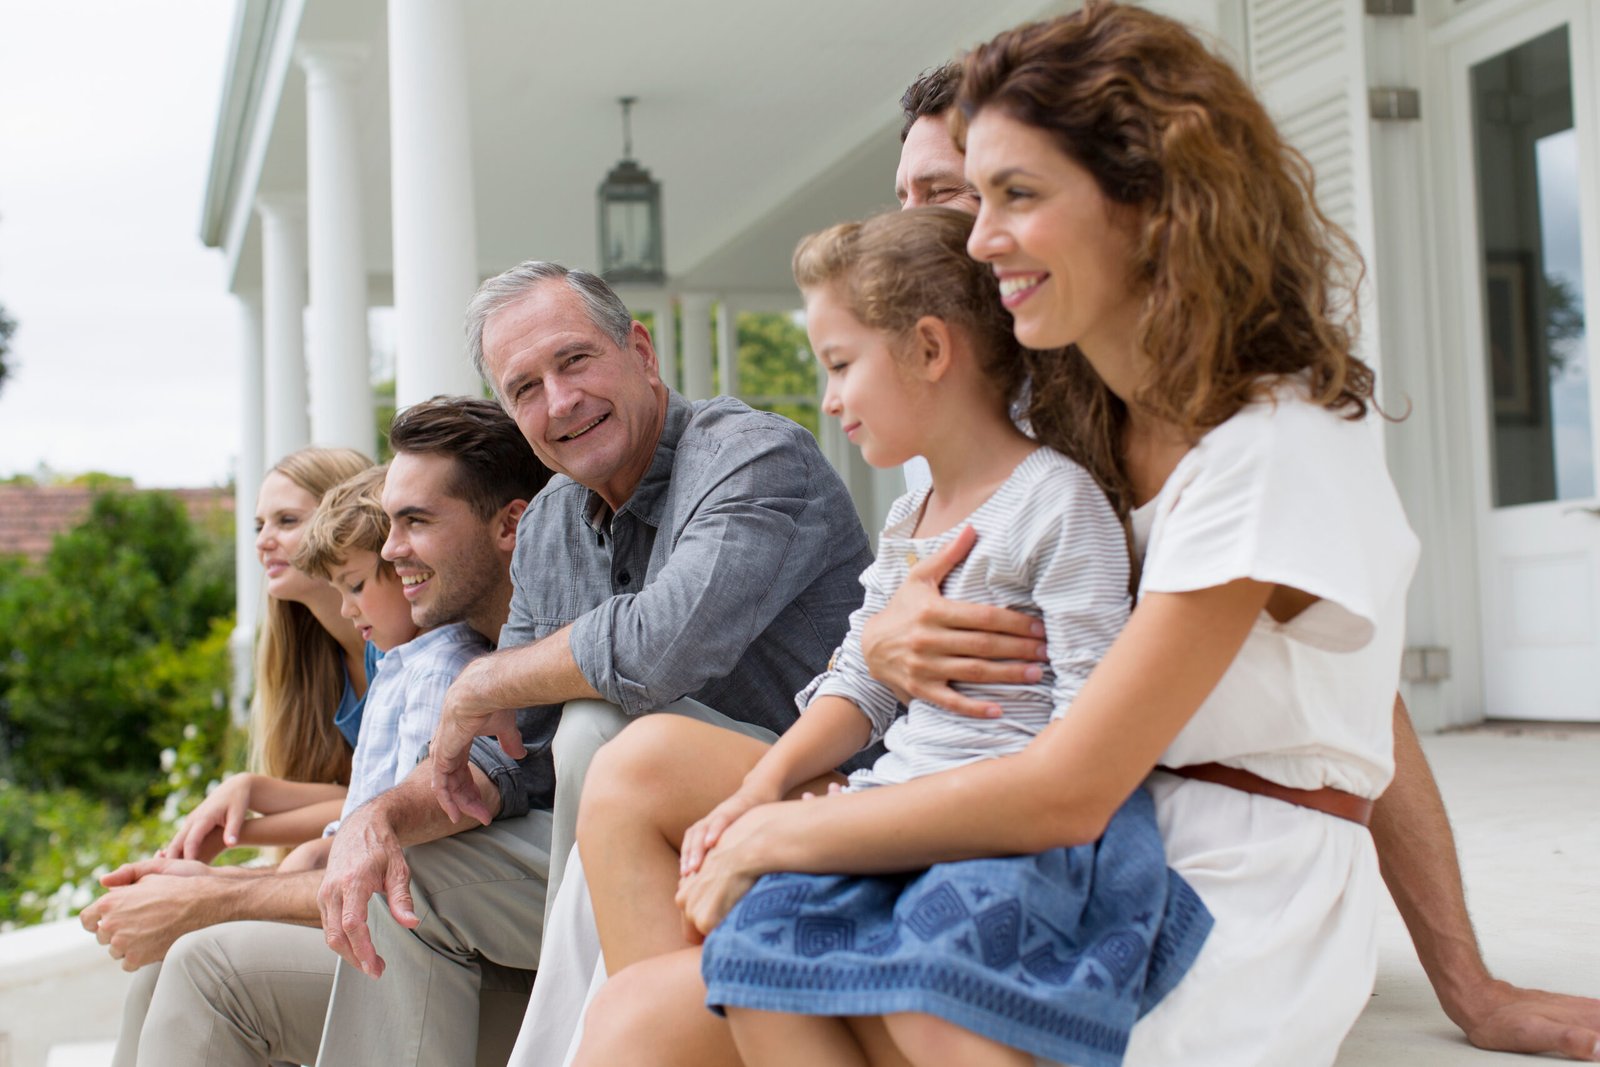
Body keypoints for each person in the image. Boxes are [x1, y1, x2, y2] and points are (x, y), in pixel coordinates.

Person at [570, 2, 1421, 1062]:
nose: (975, 237)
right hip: (1085, 832)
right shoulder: (1093, 427)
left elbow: (1079, 782)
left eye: (1013, 194)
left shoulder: (1262, 447)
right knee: (635, 1007)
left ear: (1153, 204)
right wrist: (829, 729)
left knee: (719, 1004)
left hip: (1208, 884)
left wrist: (785, 825)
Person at [886, 45, 1600, 1063]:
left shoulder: (1257, 438)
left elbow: (1352, 700)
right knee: (677, 901)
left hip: (1176, 853)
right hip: (1059, 831)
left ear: (1142, 205)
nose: (949, 230)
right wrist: (883, 642)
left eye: (976, 191)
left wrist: (1469, 985)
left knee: (825, 976)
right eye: (917, 196)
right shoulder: (1039, 416)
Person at [309, 263, 874, 1067]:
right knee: (408, 875)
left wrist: (483, 680)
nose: (560, 401)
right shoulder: (549, 527)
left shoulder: (754, 456)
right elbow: (508, 753)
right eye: (526, 387)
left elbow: (660, 646)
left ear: (640, 352)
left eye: (575, 361)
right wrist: (377, 819)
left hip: (815, 802)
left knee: (601, 729)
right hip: (639, 840)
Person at [684, 206, 1209, 1066]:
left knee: (935, 980)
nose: (828, 398)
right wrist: (761, 787)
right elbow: (862, 680)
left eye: (841, 364)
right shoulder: (906, 518)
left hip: (1004, 832)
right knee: (750, 952)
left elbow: (1090, 723)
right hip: (896, 807)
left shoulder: (1055, 503)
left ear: (930, 350)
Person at [85, 398, 549, 1067]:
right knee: (176, 959)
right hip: (427, 924)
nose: (390, 553)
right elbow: (380, 813)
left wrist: (213, 892)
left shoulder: (456, 665)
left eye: (411, 524)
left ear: (510, 525)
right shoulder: (404, 660)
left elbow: (413, 837)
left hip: (475, 953)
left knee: (203, 962)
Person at [85, 445, 373, 1066]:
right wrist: (244, 816)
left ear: (346, 521)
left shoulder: (400, 649)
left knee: (195, 954)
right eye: (259, 526)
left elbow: (390, 801)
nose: (265, 540)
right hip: (335, 882)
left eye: (287, 521)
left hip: (383, 904)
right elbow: (349, 800)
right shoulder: (311, 660)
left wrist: (254, 808)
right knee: (163, 959)